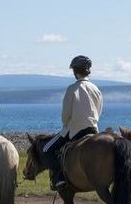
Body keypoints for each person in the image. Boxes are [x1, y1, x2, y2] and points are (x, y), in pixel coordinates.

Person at [41, 55, 103, 191]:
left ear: (75, 71)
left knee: (46, 149)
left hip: (74, 129)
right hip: (93, 129)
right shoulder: (96, 89)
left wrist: (66, 123)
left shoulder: (72, 89)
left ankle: (60, 177)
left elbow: (65, 114)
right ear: (88, 71)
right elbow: (99, 110)